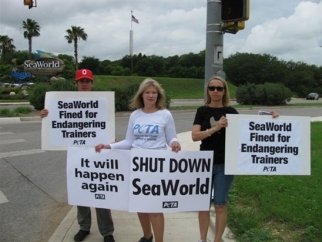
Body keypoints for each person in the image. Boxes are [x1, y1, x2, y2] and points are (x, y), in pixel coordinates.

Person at [191, 75, 279, 242]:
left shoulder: (231, 112)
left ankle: (217, 239)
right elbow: (195, 136)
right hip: (204, 163)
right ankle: (202, 239)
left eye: (219, 88)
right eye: (212, 88)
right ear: (208, 91)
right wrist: (215, 128)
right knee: (202, 205)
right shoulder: (202, 111)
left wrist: (271, 118)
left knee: (220, 204)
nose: (215, 91)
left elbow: (252, 128)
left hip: (226, 163)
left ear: (225, 91)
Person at [95, 78, 181, 242]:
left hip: (157, 166)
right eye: (147, 92)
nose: (150, 95)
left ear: (158, 95)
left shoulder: (165, 114)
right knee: (140, 206)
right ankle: (147, 236)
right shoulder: (135, 115)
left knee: (155, 209)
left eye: (154, 92)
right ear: (141, 95)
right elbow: (129, 141)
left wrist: (175, 143)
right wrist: (109, 146)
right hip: (137, 166)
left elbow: (171, 138)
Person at [40, 69, 115, 242]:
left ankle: (107, 232)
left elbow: (108, 125)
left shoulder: (101, 102)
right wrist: (45, 115)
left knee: (100, 192)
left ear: (92, 83)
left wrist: (111, 139)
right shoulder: (65, 102)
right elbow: (56, 122)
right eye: (81, 81)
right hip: (77, 155)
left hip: (97, 155)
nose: (84, 84)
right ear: (76, 83)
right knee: (81, 191)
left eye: (87, 81)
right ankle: (84, 227)